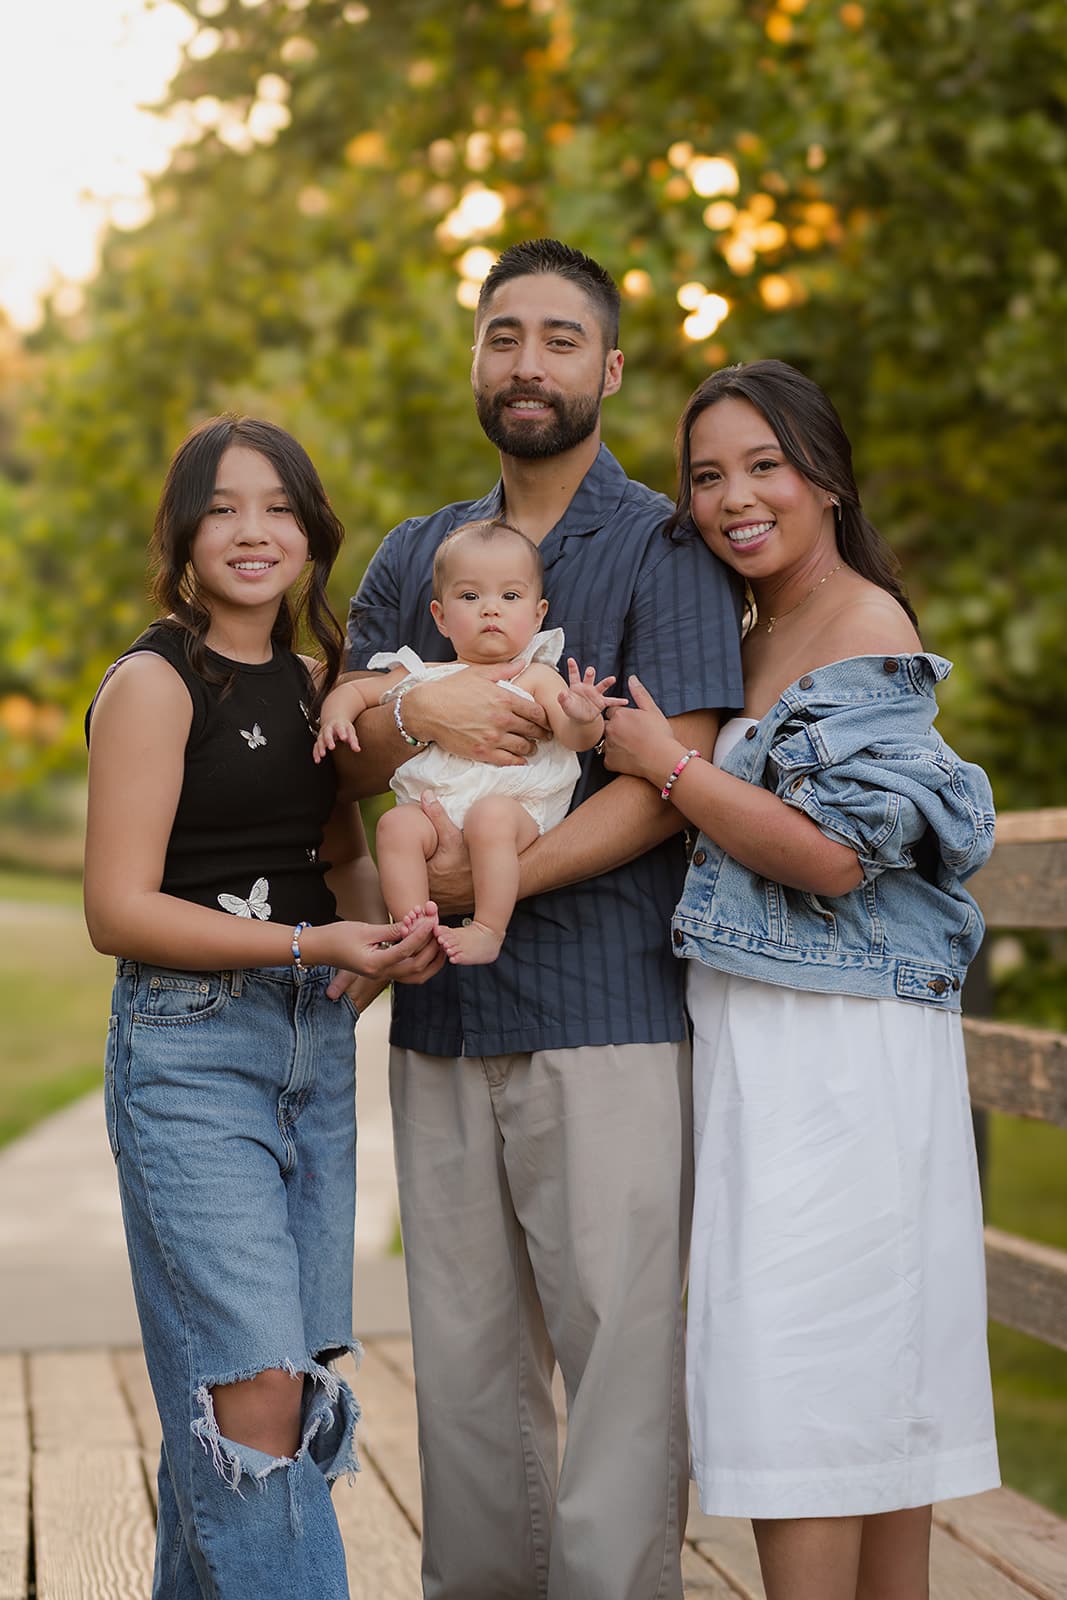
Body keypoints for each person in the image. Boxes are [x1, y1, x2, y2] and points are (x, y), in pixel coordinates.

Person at [335, 240, 744, 1599]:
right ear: (474, 359)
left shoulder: (660, 545)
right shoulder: (414, 557)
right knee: (459, 1369)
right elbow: (339, 754)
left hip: (608, 1016)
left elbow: (671, 779)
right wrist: (412, 709)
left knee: (618, 1365)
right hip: (441, 1025)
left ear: (607, 368)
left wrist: (470, 887)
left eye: (559, 338)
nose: (525, 362)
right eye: (502, 334)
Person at [601, 358, 999, 1600]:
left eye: (762, 465)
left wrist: (661, 765)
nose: (733, 497)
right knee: (854, 1385)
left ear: (824, 475)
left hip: (843, 1056)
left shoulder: (866, 625)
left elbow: (832, 859)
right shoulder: (751, 624)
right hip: (770, 1041)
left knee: (805, 1378)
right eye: (707, 475)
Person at [83, 415, 443, 1600]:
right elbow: (117, 908)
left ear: (311, 532)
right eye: (224, 507)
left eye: (279, 507)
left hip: (308, 1045)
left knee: (259, 1389)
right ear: (184, 536)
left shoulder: (313, 686)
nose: (253, 531)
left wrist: (378, 940)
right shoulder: (153, 680)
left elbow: (333, 851)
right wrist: (304, 936)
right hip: (190, 1046)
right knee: (256, 1393)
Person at [314, 517, 623, 964]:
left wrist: (583, 715)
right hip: (439, 809)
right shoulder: (424, 676)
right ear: (440, 616)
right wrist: (336, 718)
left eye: (510, 596)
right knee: (394, 826)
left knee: (489, 819)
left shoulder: (536, 675)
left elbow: (576, 739)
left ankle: (487, 929)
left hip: (518, 806)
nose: (490, 609)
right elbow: (354, 690)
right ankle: (411, 928)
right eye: (470, 596)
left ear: (538, 614)